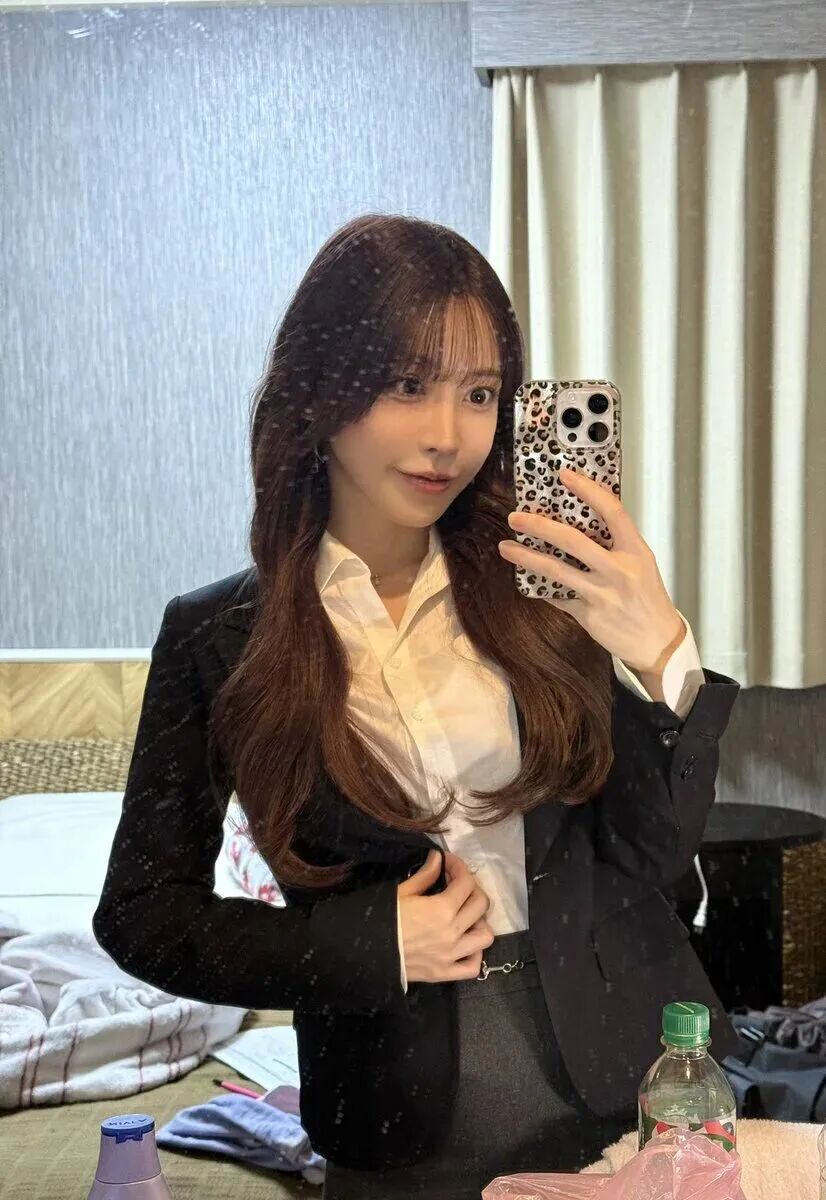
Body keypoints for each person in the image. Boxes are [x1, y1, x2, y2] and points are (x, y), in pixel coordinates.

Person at [93, 212, 742, 1199]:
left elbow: (652, 858)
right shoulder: (217, 637)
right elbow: (142, 914)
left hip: (627, 1086)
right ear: (320, 392)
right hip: (394, 1112)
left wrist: (665, 660)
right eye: (407, 385)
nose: (448, 435)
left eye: (479, 393)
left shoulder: (540, 591)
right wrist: (367, 944)